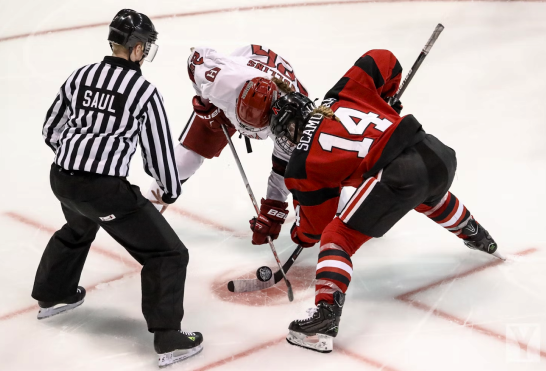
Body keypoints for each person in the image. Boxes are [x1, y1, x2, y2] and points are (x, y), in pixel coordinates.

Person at [268, 49, 500, 353]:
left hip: (400, 171)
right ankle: (476, 234)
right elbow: (382, 59)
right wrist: (384, 98)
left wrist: (299, 234)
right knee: (425, 193)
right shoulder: (339, 92)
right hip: (437, 154)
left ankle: (325, 314)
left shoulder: (301, 163)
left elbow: (316, 227)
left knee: (337, 237)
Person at [33, 9, 202, 367]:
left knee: (79, 224)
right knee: (168, 254)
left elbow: (51, 128)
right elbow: (157, 154)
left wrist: (76, 159)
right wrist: (170, 191)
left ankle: (54, 293)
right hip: (104, 190)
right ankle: (169, 338)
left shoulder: (81, 76)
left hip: (61, 178)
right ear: (138, 47)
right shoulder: (142, 92)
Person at [146, 44, 314, 243]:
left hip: (265, 104)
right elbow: (197, 56)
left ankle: (331, 215)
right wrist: (206, 103)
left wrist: (272, 210)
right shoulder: (223, 81)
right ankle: (145, 215)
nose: (244, 130)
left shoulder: (289, 119)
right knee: (183, 163)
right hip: (231, 98)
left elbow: (282, 169)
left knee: (304, 170)